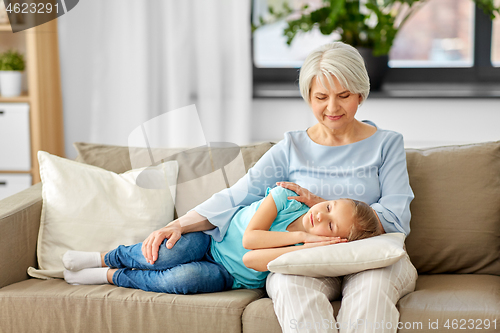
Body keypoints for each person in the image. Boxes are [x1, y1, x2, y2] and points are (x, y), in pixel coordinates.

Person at [139, 41, 417, 333]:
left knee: (371, 292)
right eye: (321, 97)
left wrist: (319, 202)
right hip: (307, 258)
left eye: (344, 96)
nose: (332, 108)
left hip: (372, 260)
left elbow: (396, 221)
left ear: (360, 94)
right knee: (287, 284)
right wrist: (180, 224)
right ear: (308, 96)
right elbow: (238, 194)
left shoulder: (387, 144)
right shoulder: (291, 147)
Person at [62, 186, 382, 293]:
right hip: (213, 240)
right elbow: (252, 239)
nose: (320, 216)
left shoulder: (309, 253)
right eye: (327, 207)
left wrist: (304, 245)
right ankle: (107, 257)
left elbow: (250, 261)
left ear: (336, 242)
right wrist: (300, 235)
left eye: (329, 226)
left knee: (182, 279)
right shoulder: (285, 198)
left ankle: (110, 277)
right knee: (166, 255)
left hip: (230, 276)